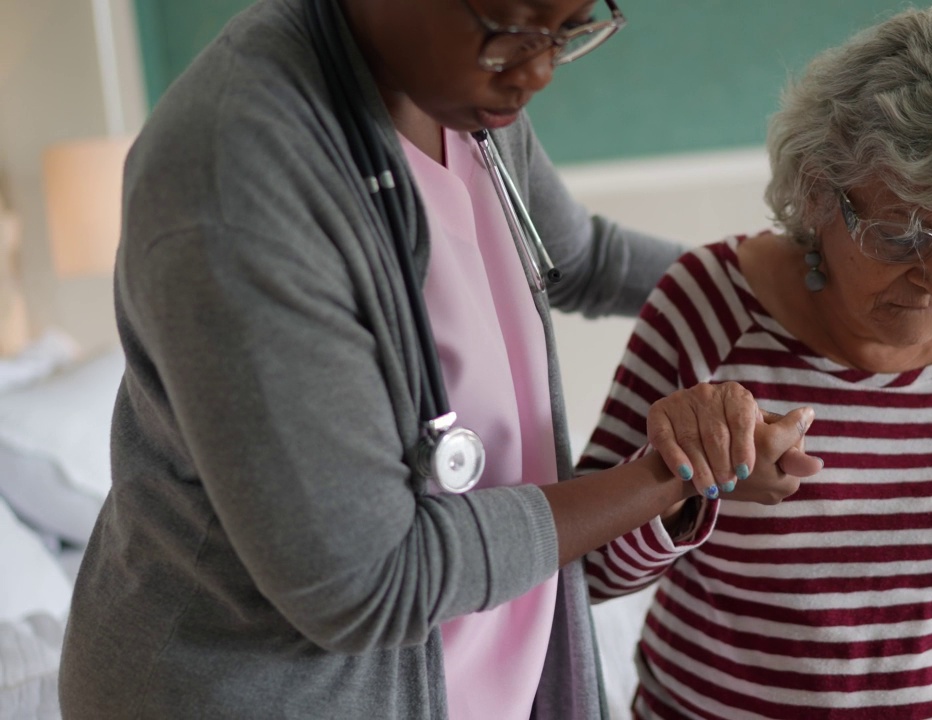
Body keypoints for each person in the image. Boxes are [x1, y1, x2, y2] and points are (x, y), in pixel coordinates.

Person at [58, 0, 821, 718]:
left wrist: (790, 292)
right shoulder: (235, 178)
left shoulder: (464, 99)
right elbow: (369, 583)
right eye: (511, 23)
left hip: (477, 671)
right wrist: (671, 473)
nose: (538, 69)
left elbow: (581, 258)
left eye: (568, 27)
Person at [579, 6, 932, 719]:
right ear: (818, 195)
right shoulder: (704, 310)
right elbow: (586, 573)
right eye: (900, 233)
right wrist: (680, 482)